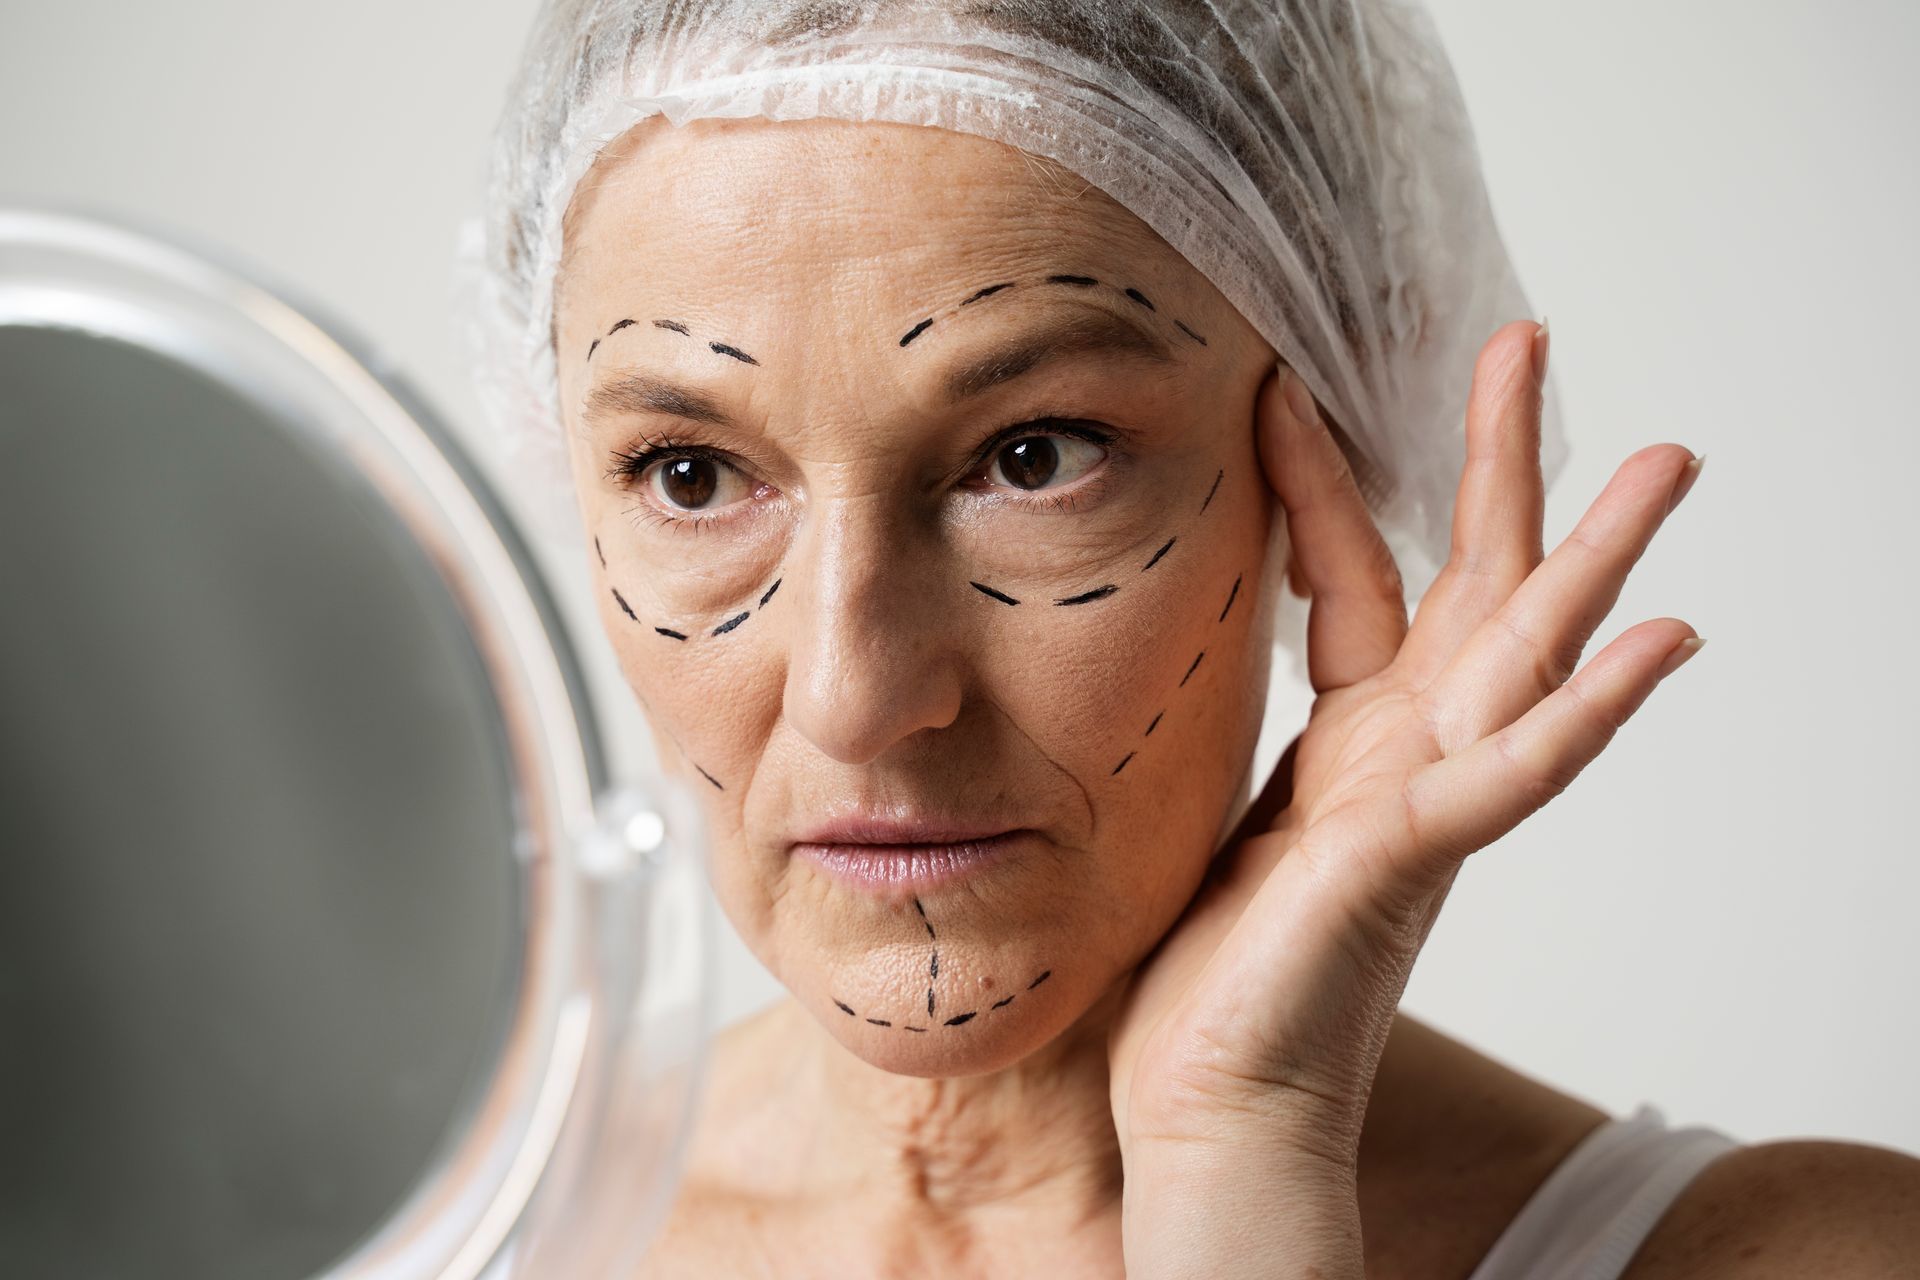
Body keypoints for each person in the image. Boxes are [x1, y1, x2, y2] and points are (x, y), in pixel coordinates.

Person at [464, 5, 1920, 1275]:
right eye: (691, 476)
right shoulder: (432, 1240)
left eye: (1034, 456)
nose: (856, 699)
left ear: (1331, 442)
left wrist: (1245, 1155)